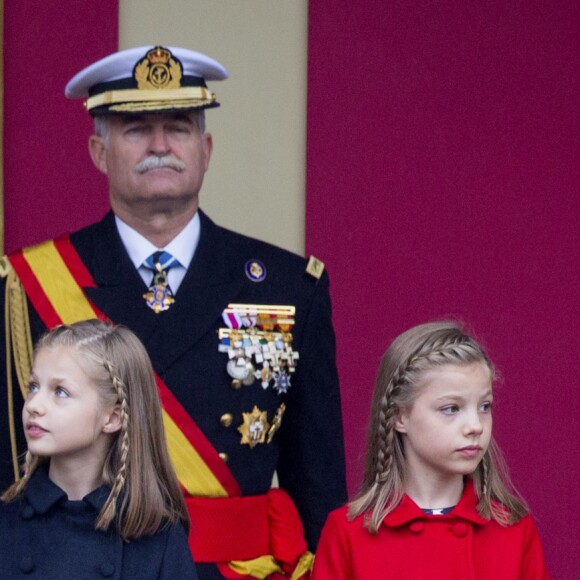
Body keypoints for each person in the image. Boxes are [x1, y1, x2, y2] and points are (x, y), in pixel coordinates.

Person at [0, 45, 346, 579]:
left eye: (179, 127)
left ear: (206, 149)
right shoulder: (31, 284)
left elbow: (318, 480)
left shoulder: (287, 284)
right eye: (136, 129)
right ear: (98, 150)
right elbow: (9, 467)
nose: (160, 145)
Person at [312, 321, 550, 579]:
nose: (475, 426)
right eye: (451, 409)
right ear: (399, 417)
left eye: (484, 406)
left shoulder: (513, 529)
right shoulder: (348, 533)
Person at [0, 319, 198, 579]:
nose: (34, 404)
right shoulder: (6, 521)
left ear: (113, 417)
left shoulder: (156, 537)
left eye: (60, 392)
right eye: (34, 387)